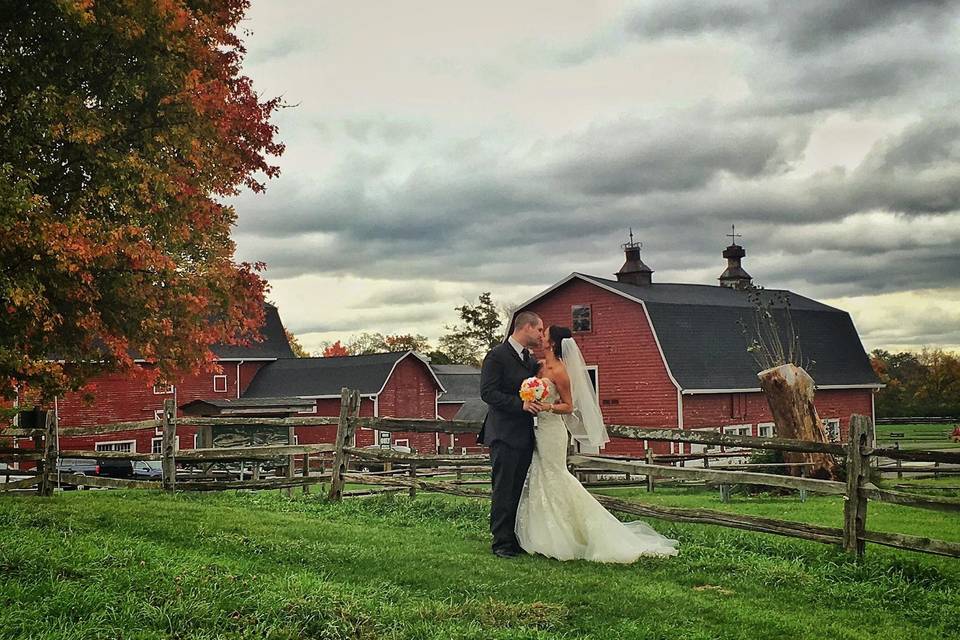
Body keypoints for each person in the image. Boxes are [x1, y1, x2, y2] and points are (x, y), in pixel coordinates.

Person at [515, 325, 679, 562]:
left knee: (556, 475)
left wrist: (548, 406)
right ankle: (544, 534)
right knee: (541, 475)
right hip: (537, 430)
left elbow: (569, 406)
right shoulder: (539, 366)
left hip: (553, 431)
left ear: (552, 342)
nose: (542, 336)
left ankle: (574, 532)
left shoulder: (560, 371)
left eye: (545, 333)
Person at [478, 311, 544, 558]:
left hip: (524, 434)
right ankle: (501, 542)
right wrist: (520, 404)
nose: (540, 335)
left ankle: (515, 537)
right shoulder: (497, 356)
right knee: (504, 488)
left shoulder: (529, 359)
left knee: (518, 487)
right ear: (526, 327)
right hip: (503, 433)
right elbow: (488, 393)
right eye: (539, 330)